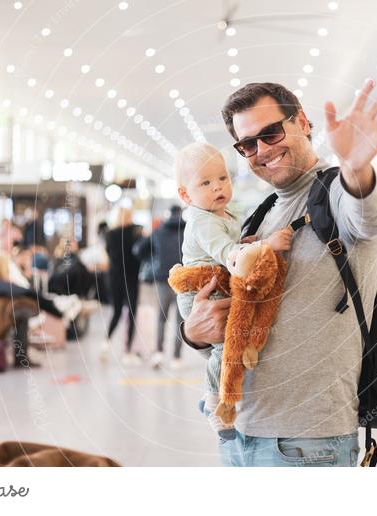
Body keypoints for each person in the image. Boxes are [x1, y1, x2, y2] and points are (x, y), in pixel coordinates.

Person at [181, 79, 377, 466]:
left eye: (271, 133)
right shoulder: (263, 212)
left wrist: (357, 166)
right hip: (240, 433)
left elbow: (370, 216)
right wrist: (194, 333)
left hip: (306, 442)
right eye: (247, 144)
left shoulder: (336, 194)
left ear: (302, 121)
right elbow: (230, 319)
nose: (262, 150)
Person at [172, 143, 293, 440]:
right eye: (205, 183)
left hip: (211, 284)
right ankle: (214, 403)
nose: (217, 187)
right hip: (200, 288)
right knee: (226, 346)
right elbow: (232, 257)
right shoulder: (202, 221)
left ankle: (214, 397)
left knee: (231, 341)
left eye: (222, 178)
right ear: (186, 195)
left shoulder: (221, 215)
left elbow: (232, 247)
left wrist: (247, 240)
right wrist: (267, 246)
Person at [0, 252, 65, 368]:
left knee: (21, 313)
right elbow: (27, 292)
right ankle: (21, 359)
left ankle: (21, 358)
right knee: (22, 314)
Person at [134, 206, 186, 370]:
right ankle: (177, 358)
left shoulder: (158, 231)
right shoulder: (188, 230)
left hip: (163, 279)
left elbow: (138, 250)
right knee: (180, 320)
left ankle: (159, 353)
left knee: (161, 318)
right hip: (183, 280)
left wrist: (153, 257)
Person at [104, 207, 143, 365]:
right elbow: (140, 253)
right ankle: (127, 351)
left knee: (117, 311)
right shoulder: (135, 233)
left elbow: (109, 254)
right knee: (132, 313)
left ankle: (105, 342)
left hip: (114, 276)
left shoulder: (109, 235)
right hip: (131, 277)